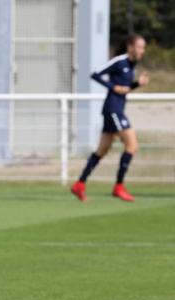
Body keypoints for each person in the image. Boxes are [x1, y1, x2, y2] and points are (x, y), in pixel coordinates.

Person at [71, 34, 149, 202]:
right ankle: (119, 186)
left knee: (102, 150)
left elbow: (125, 88)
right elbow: (95, 74)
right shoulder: (119, 61)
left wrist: (137, 84)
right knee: (132, 146)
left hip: (115, 110)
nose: (142, 51)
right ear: (130, 47)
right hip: (113, 110)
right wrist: (113, 87)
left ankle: (80, 184)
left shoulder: (131, 64)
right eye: (140, 47)